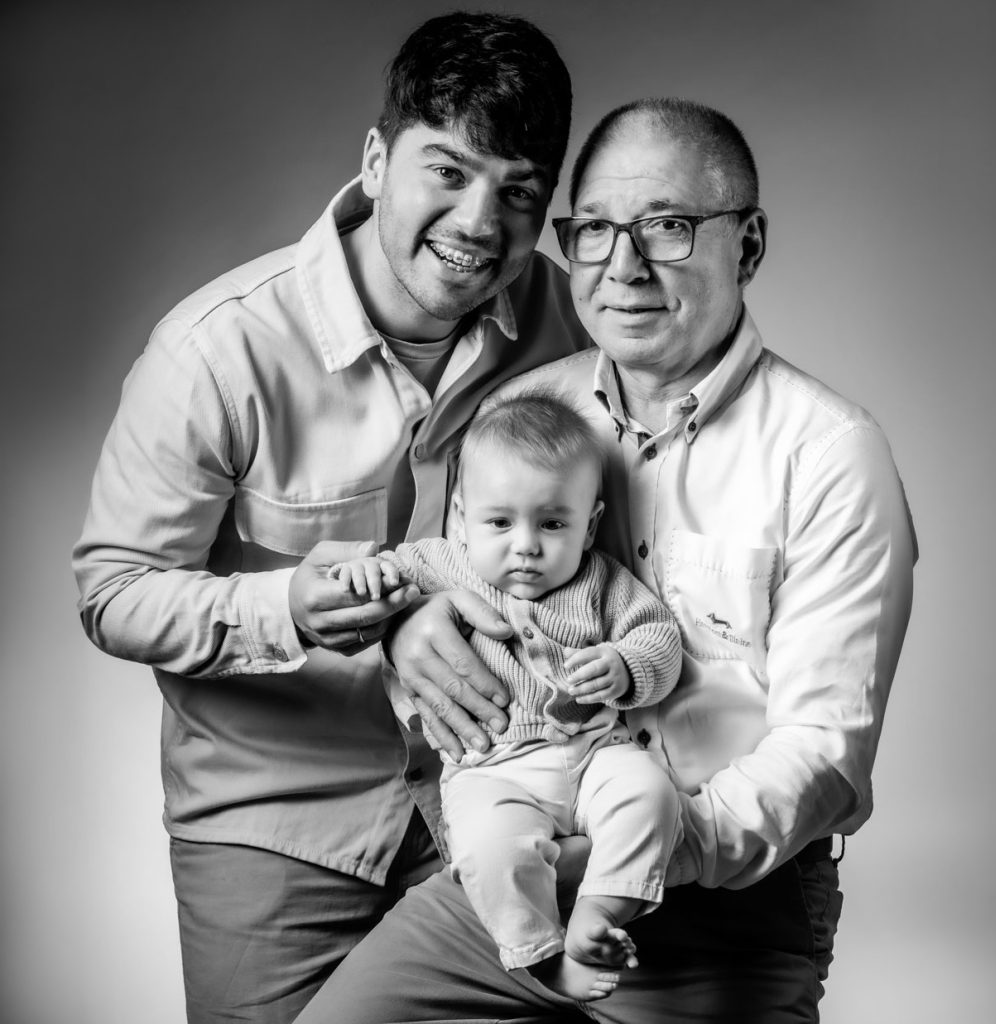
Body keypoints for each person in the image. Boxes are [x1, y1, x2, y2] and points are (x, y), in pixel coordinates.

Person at [292, 98, 917, 1023]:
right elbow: (450, 574)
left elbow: (823, 756)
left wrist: (637, 850)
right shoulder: (530, 413)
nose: (622, 267)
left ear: (746, 245)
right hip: (516, 864)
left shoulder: (828, 452)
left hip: (723, 903)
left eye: (666, 227)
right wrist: (408, 625)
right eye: (593, 232)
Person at [71, 12, 590, 1024]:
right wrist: (293, 611)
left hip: (496, 808)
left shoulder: (568, 325)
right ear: (375, 158)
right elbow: (112, 594)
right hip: (272, 830)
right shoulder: (213, 352)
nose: (480, 223)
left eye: (517, 190)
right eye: (448, 170)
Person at [330, 388, 684, 1001]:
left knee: (652, 797)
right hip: (494, 772)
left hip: (597, 753)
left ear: (590, 522)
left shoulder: (602, 581)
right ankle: (543, 958)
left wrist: (627, 667)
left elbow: (658, 635)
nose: (526, 544)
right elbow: (381, 576)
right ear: (462, 514)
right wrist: (364, 575)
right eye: (499, 522)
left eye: (553, 523)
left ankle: (600, 912)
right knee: (493, 853)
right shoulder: (443, 562)